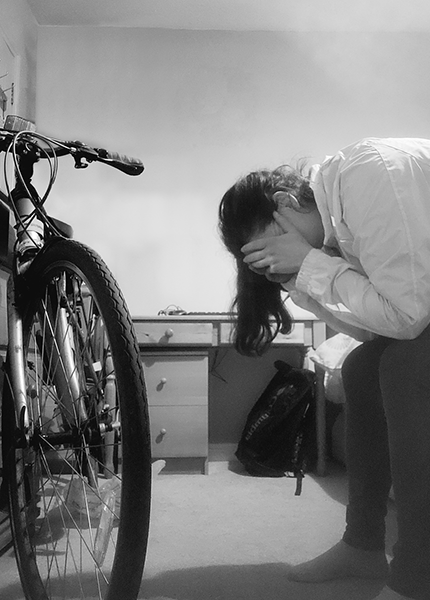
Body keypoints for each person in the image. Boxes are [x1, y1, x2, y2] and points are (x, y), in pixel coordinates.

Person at [218, 137, 430, 600]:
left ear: (285, 203)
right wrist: (304, 282)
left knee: (403, 368)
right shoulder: (338, 234)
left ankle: (420, 569)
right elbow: (377, 332)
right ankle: (363, 545)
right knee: (360, 368)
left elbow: (408, 318)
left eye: (272, 246)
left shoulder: (368, 178)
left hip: (421, 316)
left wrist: (313, 265)